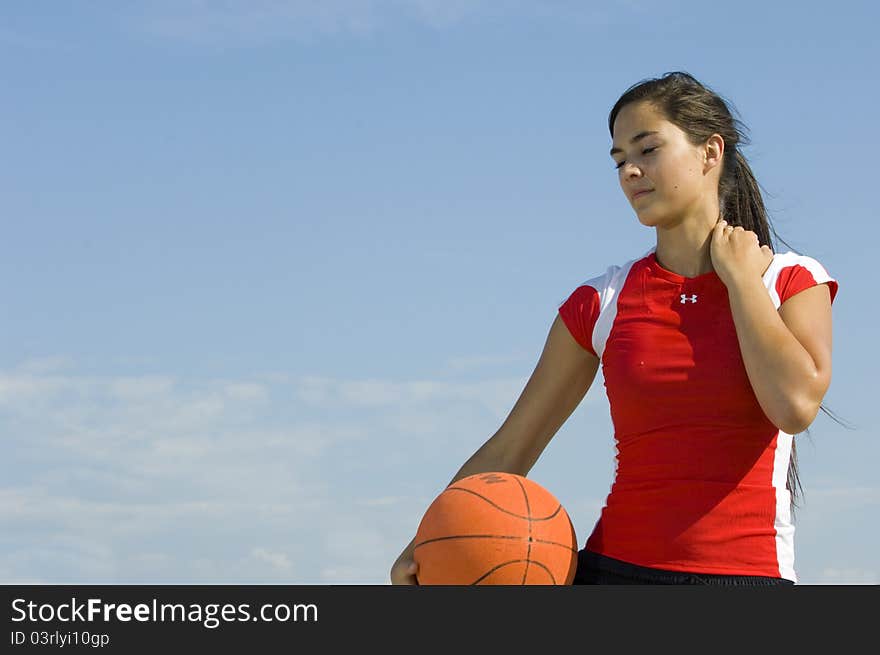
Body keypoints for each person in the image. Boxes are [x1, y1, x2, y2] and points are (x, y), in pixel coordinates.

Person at [390, 71, 839, 585]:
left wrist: (740, 279)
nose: (630, 171)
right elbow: (511, 447)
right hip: (614, 571)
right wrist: (420, 547)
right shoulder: (600, 302)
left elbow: (794, 406)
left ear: (710, 152)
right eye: (620, 159)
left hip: (747, 578)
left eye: (647, 150)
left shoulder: (789, 280)